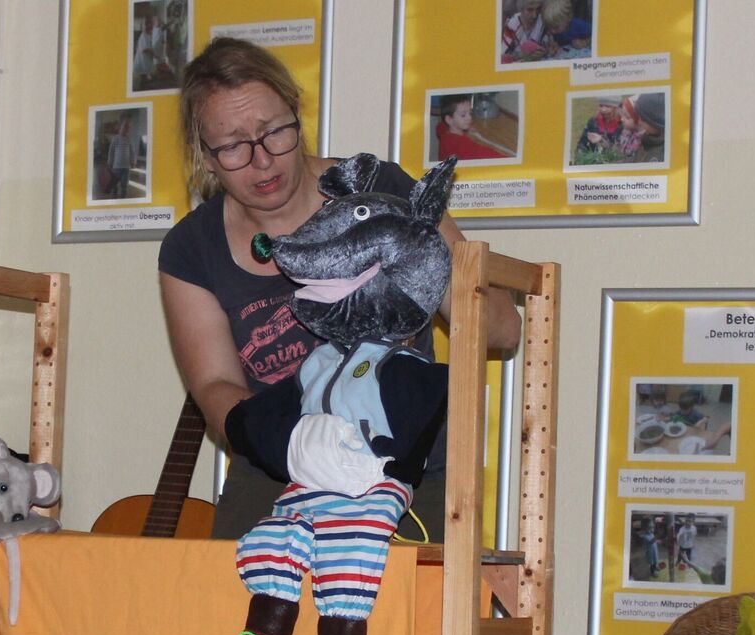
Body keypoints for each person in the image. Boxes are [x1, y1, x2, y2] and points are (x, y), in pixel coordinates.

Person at [158, 38, 521, 542]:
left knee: (405, 594)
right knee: (236, 596)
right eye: (234, 146)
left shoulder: (378, 191)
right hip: (277, 474)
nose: (262, 161)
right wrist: (296, 442)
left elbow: (503, 330)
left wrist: (424, 261)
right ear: (206, 155)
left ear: (296, 115)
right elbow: (215, 385)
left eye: (274, 132)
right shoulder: (191, 247)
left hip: (405, 470)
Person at [435, 95, 509, 161]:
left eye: (470, 113)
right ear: (449, 119)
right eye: (463, 115)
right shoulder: (462, 145)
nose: (469, 118)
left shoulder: (444, 131)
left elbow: (440, 126)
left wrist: (468, 127)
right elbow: (486, 154)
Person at [107, 114, 136, 199]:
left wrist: (133, 161)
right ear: (119, 127)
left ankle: (123, 194)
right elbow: (111, 151)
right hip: (116, 166)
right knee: (114, 181)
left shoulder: (129, 140)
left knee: (124, 183)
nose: (127, 129)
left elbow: (132, 152)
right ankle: (114, 190)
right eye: (125, 126)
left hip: (126, 167)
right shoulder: (116, 139)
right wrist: (110, 162)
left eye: (129, 127)